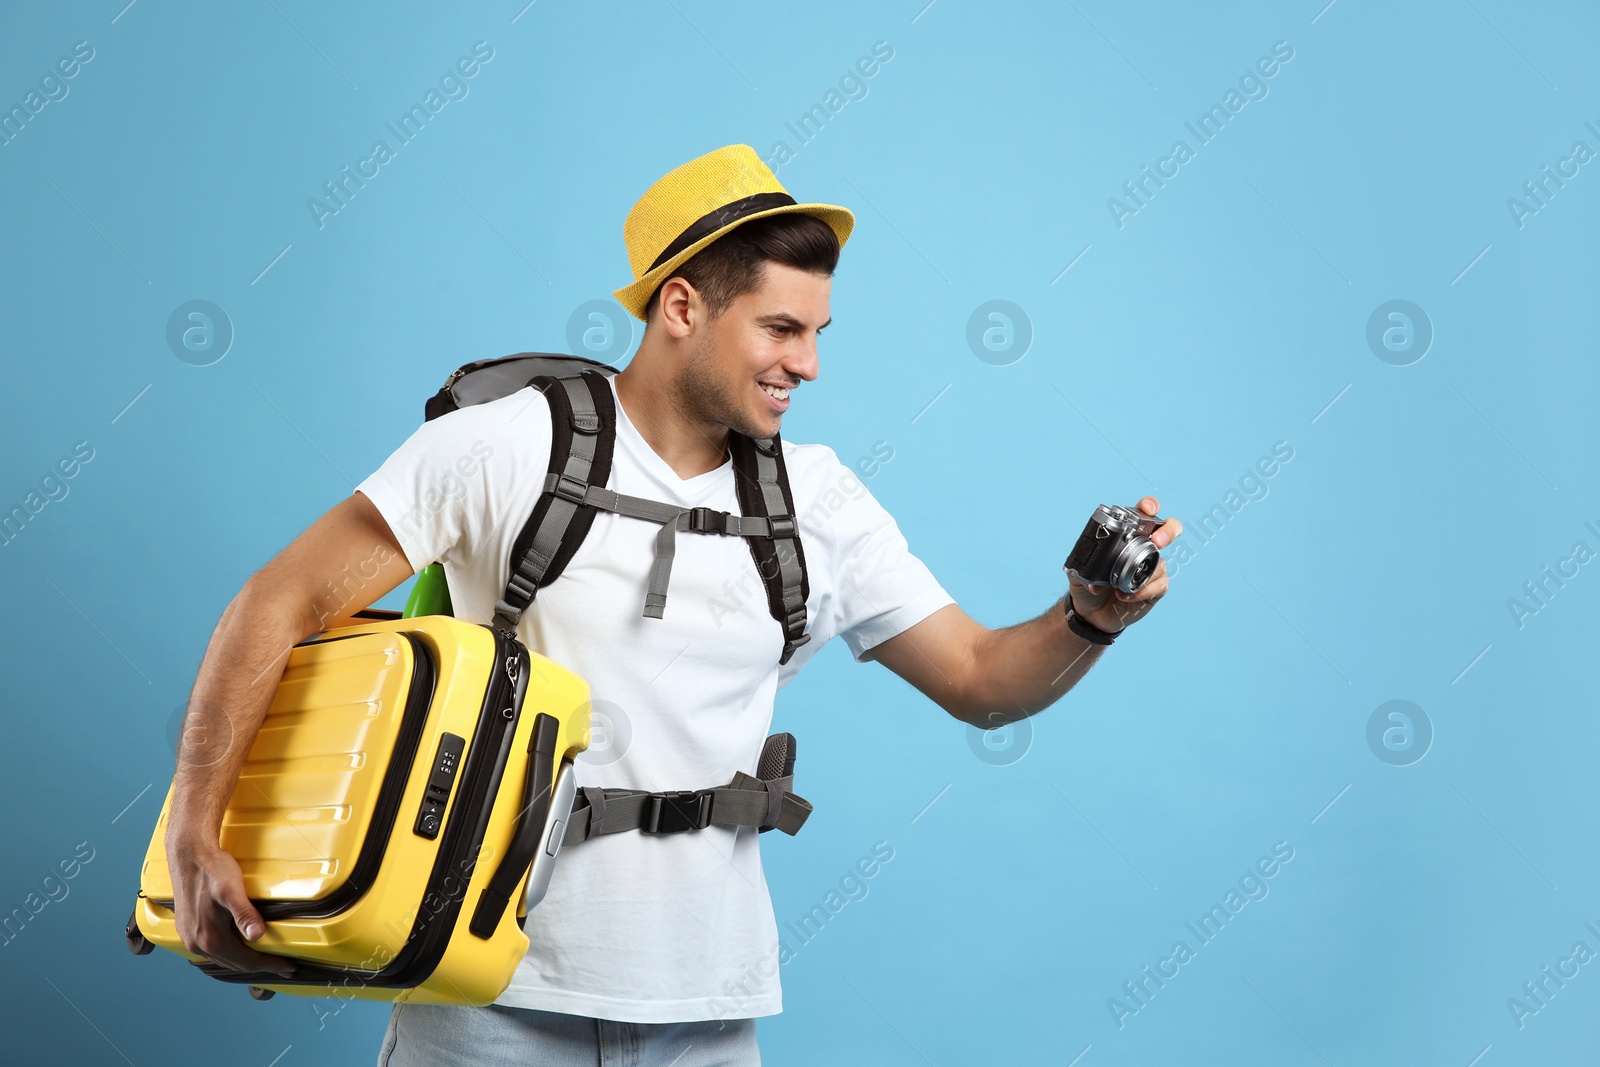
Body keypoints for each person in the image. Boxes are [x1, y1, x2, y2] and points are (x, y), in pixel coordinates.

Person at [161, 143, 1184, 1067]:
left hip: (707, 1010)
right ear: (683, 306)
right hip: (485, 998)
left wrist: (1088, 617)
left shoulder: (818, 499)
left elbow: (981, 681)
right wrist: (193, 835)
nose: (808, 363)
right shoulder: (507, 446)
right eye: (780, 327)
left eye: (820, 331)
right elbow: (277, 601)